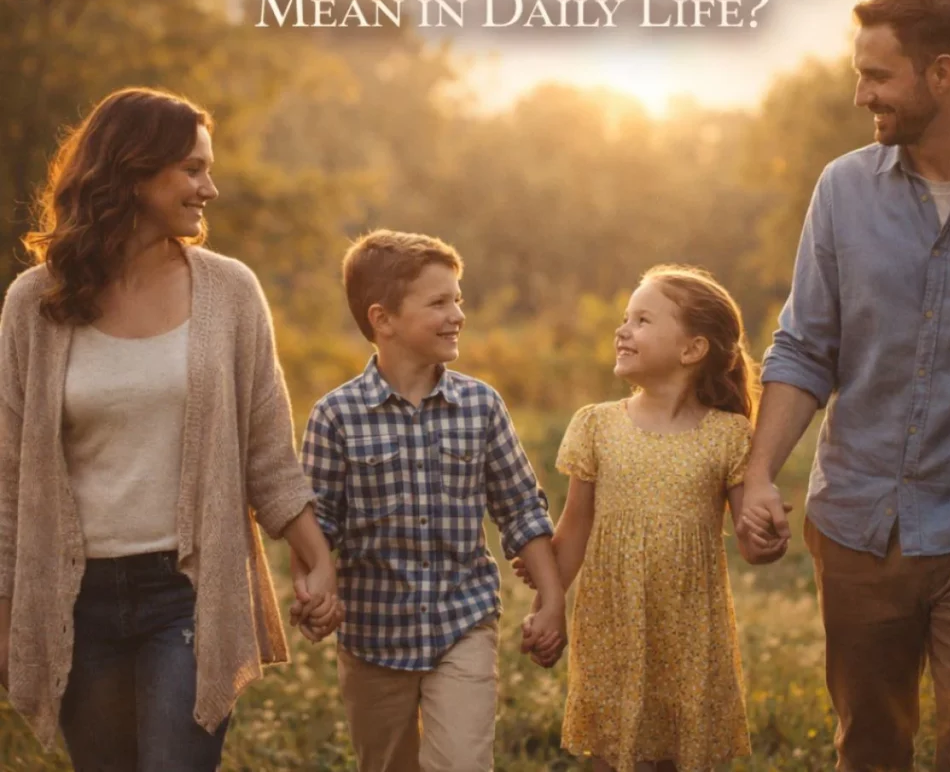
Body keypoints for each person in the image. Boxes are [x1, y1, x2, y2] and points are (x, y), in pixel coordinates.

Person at [0, 88, 339, 771]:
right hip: (75, 605)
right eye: (191, 169)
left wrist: (318, 557)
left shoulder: (230, 292)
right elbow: (9, 476)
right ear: (132, 169)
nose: (208, 188)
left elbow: (268, 452)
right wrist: (8, 613)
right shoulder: (35, 303)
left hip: (186, 596)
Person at [739, 0, 950, 771]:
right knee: (869, 744)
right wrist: (758, 475)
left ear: (942, 73)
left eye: (877, 75)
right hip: (861, 524)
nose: (860, 93)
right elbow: (804, 347)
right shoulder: (842, 190)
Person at [297, 229, 565, 772]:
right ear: (383, 319)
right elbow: (317, 525)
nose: (457, 314)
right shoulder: (336, 416)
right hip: (373, 637)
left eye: (458, 300)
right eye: (439, 302)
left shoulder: (480, 405)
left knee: (463, 762)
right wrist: (312, 585)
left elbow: (520, 508)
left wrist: (552, 597)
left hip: (461, 621)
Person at [516, 264, 787, 772]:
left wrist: (764, 538)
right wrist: (547, 600)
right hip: (614, 623)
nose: (622, 329)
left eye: (642, 320)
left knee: (688, 755)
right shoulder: (597, 425)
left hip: (690, 631)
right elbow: (574, 529)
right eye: (625, 318)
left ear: (692, 350)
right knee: (614, 753)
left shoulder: (728, 435)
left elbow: (749, 543)